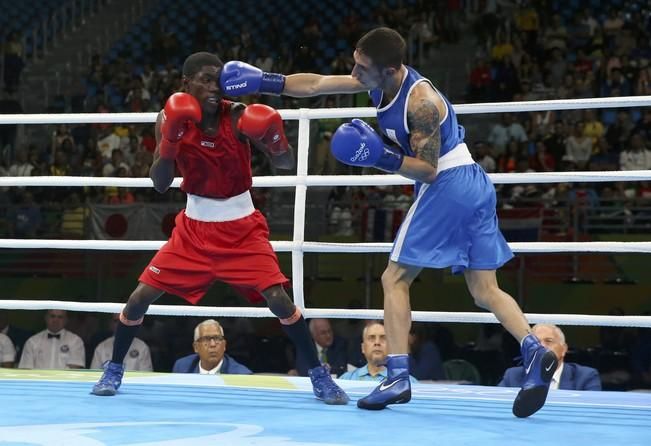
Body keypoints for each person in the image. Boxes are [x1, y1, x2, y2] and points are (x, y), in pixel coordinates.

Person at [220, 27, 558, 417]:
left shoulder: (423, 103)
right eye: (356, 62)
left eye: (362, 67)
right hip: (472, 185)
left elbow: (428, 170)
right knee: (484, 289)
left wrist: (380, 156)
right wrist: (266, 82)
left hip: (447, 182)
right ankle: (536, 351)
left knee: (393, 278)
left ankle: (397, 375)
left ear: (391, 69)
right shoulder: (378, 77)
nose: (355, 72)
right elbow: (315, 84)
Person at [91, 52, 348, 405]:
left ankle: (320, 376)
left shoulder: (240, 115)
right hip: (193, 230)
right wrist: (169, 142)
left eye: (219, 79)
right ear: (187, 83)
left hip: (242, 229)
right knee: (138, 299)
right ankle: (114, 368)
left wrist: (276, 139)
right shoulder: (169, 116)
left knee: (279, 300)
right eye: (206, 80)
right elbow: (161, 183)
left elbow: (286, 164)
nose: (215, 87)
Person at [499, 324, 602, 391]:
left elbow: (591, 415)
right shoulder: (512, 376)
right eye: (536, 342)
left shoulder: (586, 377)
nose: (541, 346)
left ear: (564, 349)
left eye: (549, 341)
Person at [340, 321, 416, 383]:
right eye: (371, 338)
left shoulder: (407, 382)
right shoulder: (346, 379)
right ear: (363, 348)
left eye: (383, 338)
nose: (377, 342)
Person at [172, 319, 251, 374]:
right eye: (206, 339)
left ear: (224, 345)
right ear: (196, 347)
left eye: (217, 338)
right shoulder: (181, 367)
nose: (213, 344)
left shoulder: (240, 374)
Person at [19, 310, 85, 369]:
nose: (55, 320)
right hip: (39, 382)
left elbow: (75, 370)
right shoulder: (32, 341)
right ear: (46, 318)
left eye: (60, 317)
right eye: (52, 316)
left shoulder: (75, 341)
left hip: (64, 382)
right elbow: (26, 369)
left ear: (66, 320)